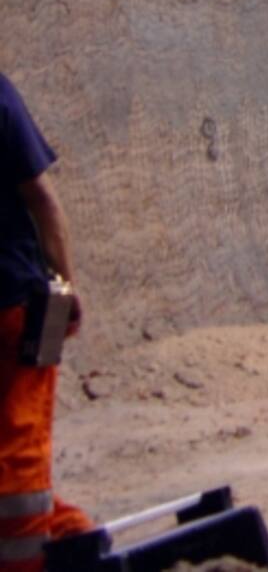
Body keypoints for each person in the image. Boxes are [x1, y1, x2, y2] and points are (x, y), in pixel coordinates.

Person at [1, 73, 92, 571]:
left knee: (17, 461)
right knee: (21, 453)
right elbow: (43, 200)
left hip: (18, 305)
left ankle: (70, 542)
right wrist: (66, 287)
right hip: (19, 302)